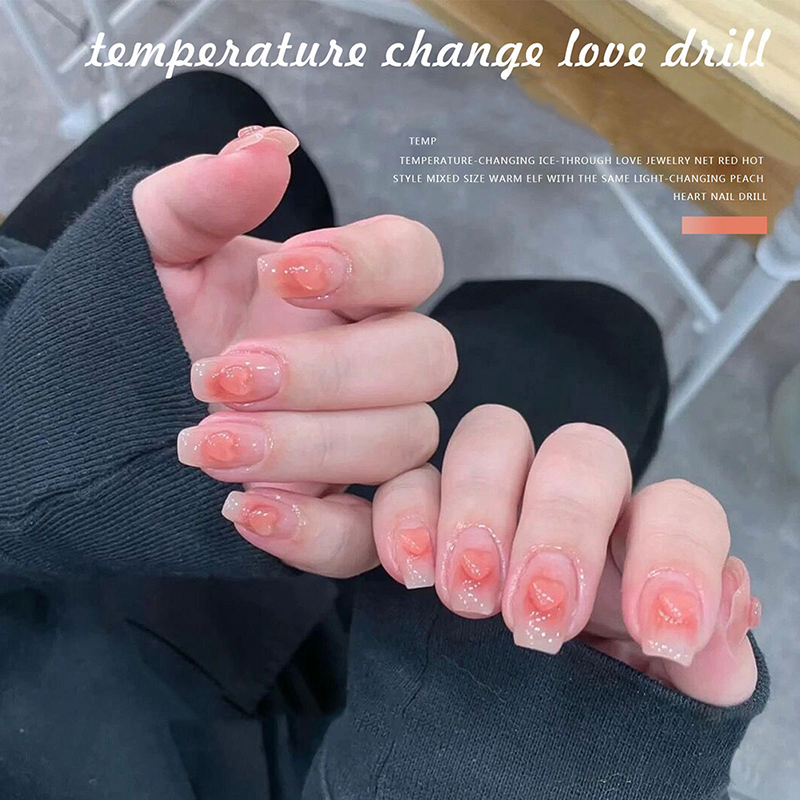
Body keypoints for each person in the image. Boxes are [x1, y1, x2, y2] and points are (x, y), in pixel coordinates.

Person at [0, 72, 767, 799]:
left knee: (207, 109)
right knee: (589, 336)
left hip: (54, 575)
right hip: (271, 742)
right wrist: (501, 772)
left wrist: (38, 421)